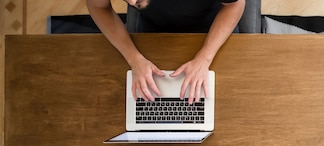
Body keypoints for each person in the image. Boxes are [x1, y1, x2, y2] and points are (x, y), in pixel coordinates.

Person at [86, 0, 245, 103]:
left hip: (212, 32)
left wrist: (204, 58)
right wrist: (134, 58)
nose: (133, 2)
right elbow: (98, 6)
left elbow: (235, 5)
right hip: (155, 34)